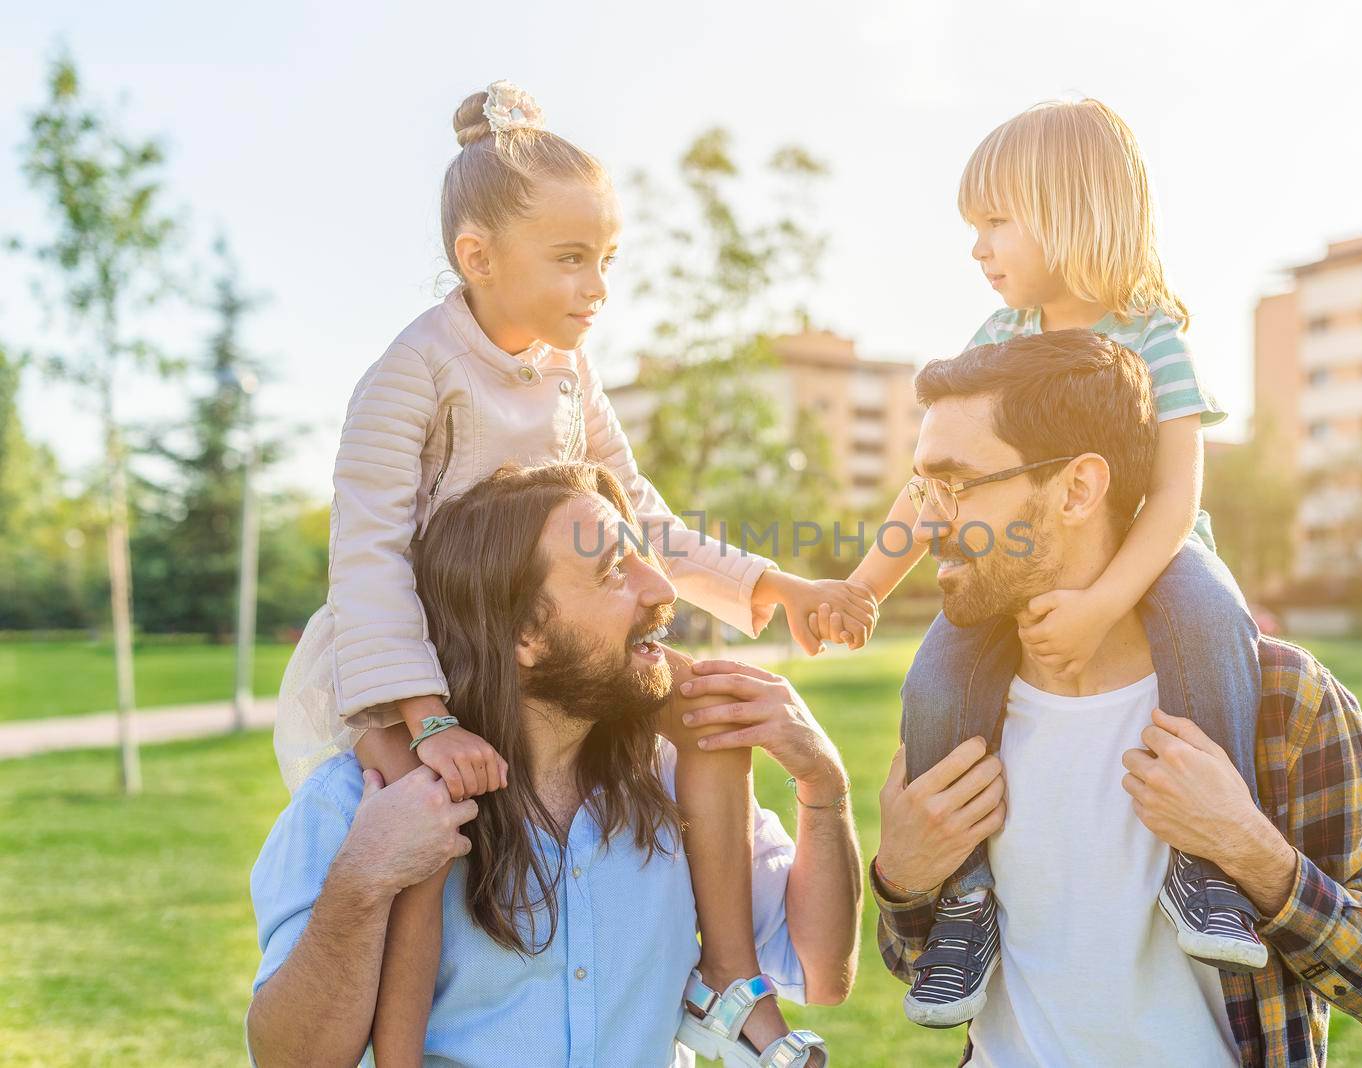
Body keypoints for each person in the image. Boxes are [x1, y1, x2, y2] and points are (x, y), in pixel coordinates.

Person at [271, 80, 876, 1063]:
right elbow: (369, 558)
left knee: (713, 704)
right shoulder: (411, 372)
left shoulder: (568, 371)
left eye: (606, 259)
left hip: (531, 645)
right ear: (478, 258)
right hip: (404, 664)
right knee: (423, 821)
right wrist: (421, 718)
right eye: (569, 260)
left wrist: (774, 591)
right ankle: (396, 1045)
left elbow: (641, 522)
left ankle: (727, 980)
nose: (596, 285)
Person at [872, 330, 1362, 1066]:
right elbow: (916, 966)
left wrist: (1249, 851)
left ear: (1077, 489)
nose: (930, 519)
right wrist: (902, 880)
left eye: (957, 485)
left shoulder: (1283, 701)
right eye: (923, 486)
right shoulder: (956, 701)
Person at [833, 98, 1267, 1025]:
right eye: (973, 226)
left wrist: (1107, 603)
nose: (979, 248)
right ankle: (964, 902)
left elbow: (1178, 499)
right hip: (1023, 560)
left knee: (1215, 616)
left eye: (997, 221)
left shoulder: (1154, 336)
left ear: (1071, 211)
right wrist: (866, 584)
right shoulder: (996, 343)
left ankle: (1207, 868)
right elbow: (934, 486)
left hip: (1155, 552)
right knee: (939, 671)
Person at [248, 461, 863, 1067]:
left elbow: (821, 973)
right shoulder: (364, 803)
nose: (662, 589)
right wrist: (364, 877)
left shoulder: (679, 782)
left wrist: (822, 782)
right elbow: (288, 1059)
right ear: (526, 636)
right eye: (615, 572)